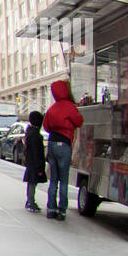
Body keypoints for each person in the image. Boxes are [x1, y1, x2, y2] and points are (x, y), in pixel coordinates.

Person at [42, 79, 83, 221]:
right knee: (63, 180)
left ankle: (51, 209)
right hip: (64, 144)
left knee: (53, 180)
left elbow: (46, 126)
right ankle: (62, 211)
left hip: (52, 144)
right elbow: (79, 121)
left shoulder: (52, 108)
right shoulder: (70, 107)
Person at [23, 110, 45, 212]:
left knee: (31, 182)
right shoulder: (35, 135)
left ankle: (30, 201)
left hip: (31, 162)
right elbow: (37, 152)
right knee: (33, 182)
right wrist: (40, 167)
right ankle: (31, 202)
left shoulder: (30, 133)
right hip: (35, 164)